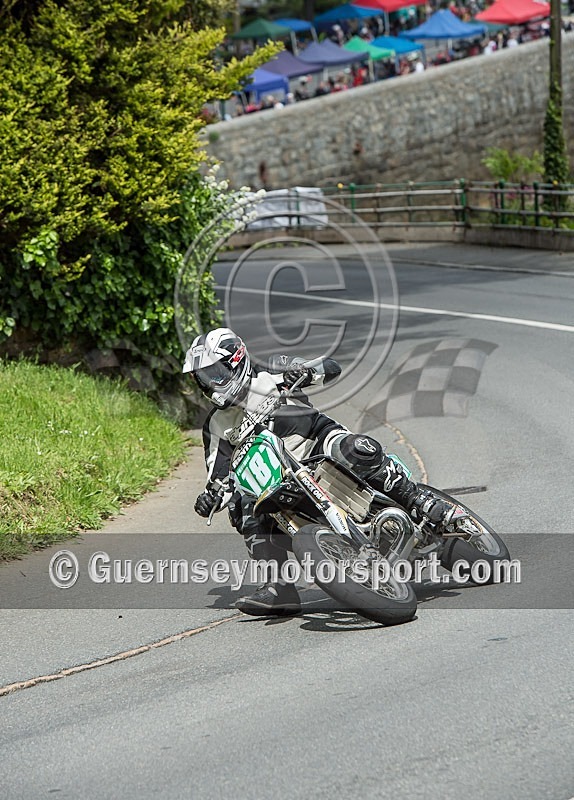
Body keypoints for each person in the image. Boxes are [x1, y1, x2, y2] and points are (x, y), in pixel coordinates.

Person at [183, 328, 458, 616]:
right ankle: (278, 588)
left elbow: (330, 367)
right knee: (242, 509)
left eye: (215, 373)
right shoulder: (215, 426)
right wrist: (211, 498)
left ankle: (421, 501)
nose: (211, 384)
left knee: (357, 448)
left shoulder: (272, 369)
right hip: (277, 479)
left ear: (236, 360)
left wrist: (301, 371)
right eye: (204, 378)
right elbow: (219, 474)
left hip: (317, 443)